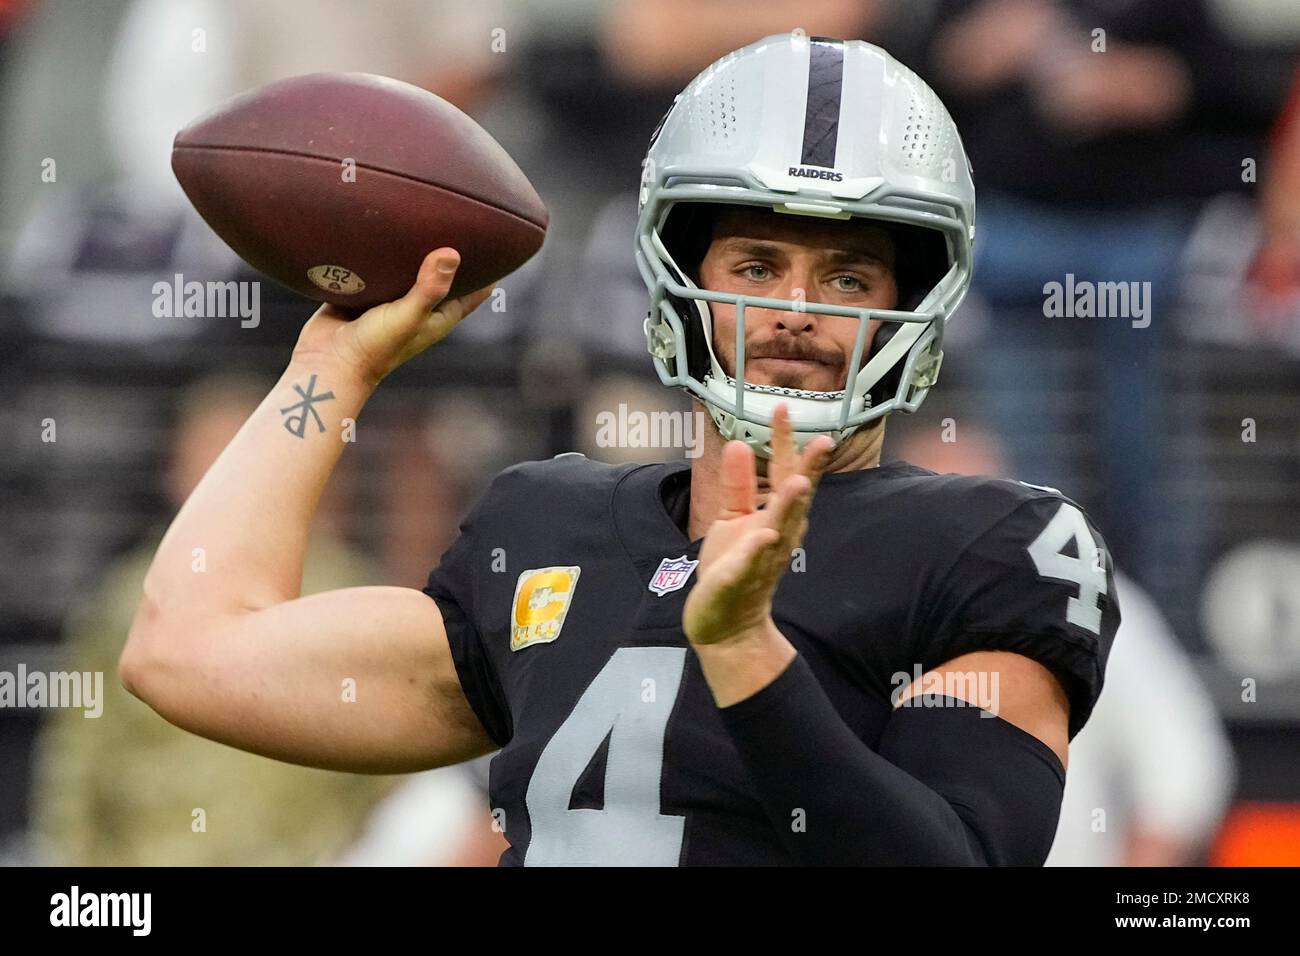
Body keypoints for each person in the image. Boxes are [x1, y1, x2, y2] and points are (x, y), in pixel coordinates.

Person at [120, 34, 1120, 866]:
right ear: (677, 283)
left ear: (917, 307)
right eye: (757, 265)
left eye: (849, 276)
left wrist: (743, 651)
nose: (796, 313)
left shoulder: (986, 546)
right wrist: (331, 365)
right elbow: (187, 650)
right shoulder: (543, 528)